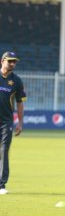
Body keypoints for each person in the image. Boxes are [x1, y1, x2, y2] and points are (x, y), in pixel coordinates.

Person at [0, 51, 26, 195]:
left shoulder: (17, 81)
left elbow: (20, 103)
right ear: (2, 61)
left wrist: (20, 123)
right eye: (10, 61)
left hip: (6, 122)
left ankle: (1, 185)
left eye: (14, 61)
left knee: (4, 151)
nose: (12, 64)